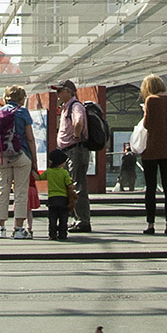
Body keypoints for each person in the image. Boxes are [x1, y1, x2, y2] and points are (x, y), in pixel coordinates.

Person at [0, 86, 37, 239]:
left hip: (2, 156)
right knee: (21, 192)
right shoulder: (22, 112)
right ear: (21, 98)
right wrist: (34, 161)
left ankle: (1, 229)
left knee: (2, 191)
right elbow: (30, 138)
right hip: (21, 155)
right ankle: (18, 229)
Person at [138, 75, 167, 234]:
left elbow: (147, 124)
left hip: (151, 150)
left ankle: (151, 224)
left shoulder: (151, 100)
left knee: (150, 188)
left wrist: (145, 112)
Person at [53, 80, 94, 233]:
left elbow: (78, 122)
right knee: (72, 185)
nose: (57, 94)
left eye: (60, 91)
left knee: (78, 185)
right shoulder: (67, 107)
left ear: (68, 91)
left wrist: (76, 136)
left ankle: (83, 221)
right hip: (69, 151)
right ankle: (77, 219)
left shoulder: (75, 106)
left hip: (75, 150)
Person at [44, 150, 75, 239]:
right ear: (60, 162)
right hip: (63, 198)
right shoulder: (64, 173)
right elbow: (69, 185)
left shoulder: (48, 172)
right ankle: (62, 234)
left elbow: (39, 177)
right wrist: (72, 186)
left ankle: (52, 234)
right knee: (63, 217)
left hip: (52, 198)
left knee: (52, 218)